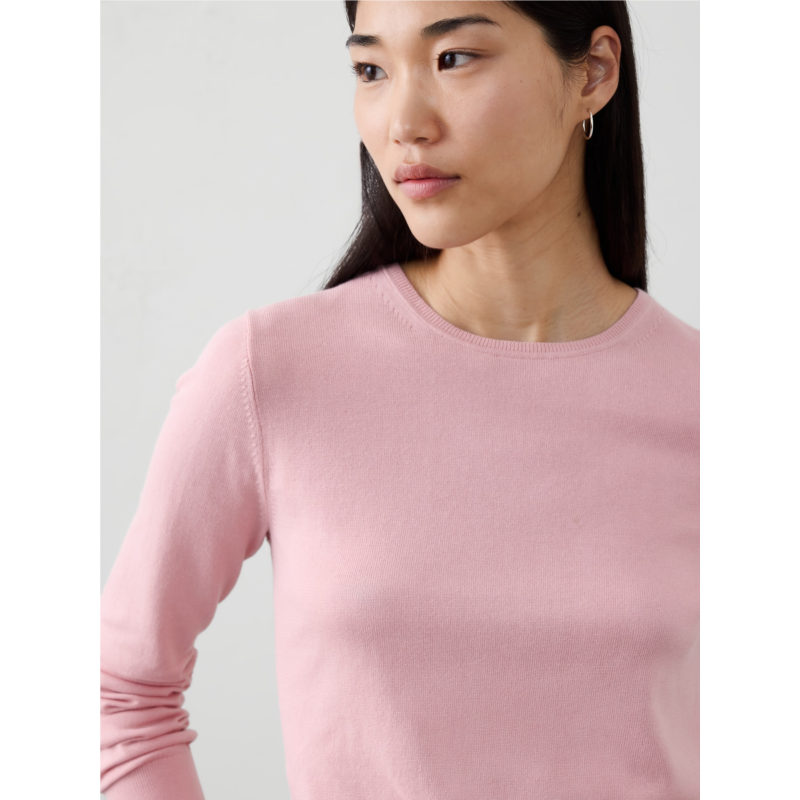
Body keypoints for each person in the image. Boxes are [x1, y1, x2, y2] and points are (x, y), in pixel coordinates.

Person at [99, 1, 700, 798]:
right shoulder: (269, 374)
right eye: (371, 70)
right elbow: (122, 694)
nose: (404, 124)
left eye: (455, 59)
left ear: (594, 72)